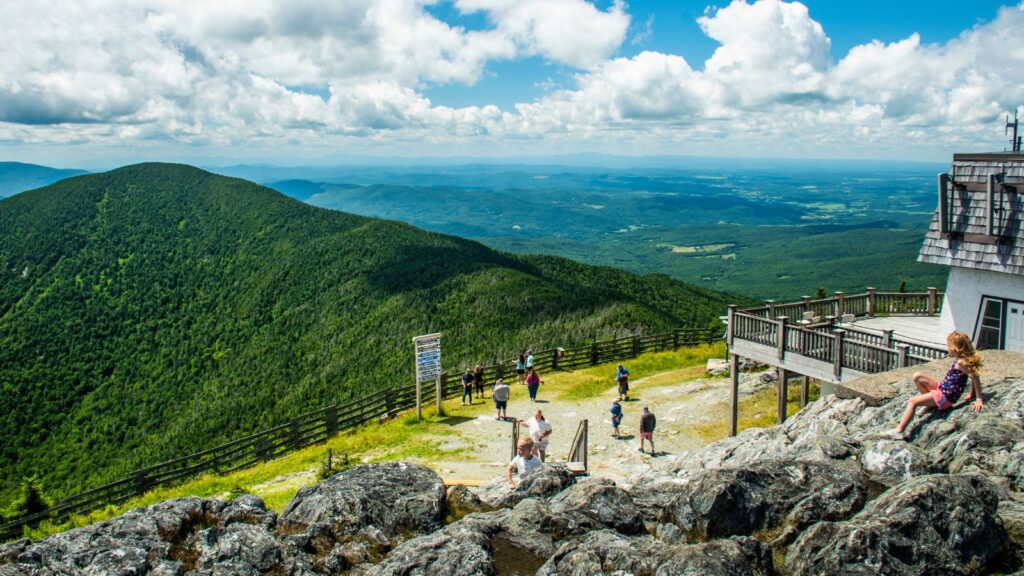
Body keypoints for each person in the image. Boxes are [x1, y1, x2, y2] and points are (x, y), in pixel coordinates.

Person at [885, 331, 984, 440]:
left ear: (955, 349)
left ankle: (899, 431)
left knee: (913, 402)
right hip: (943, 389)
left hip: (944, 397)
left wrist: (978, 398)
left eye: (948, 347)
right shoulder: (960, 360)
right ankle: (931, 405)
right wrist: (971, 394)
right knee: (917, 376)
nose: (947, 349)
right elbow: (973, 376)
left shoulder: (962, 362)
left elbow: (975, 376)